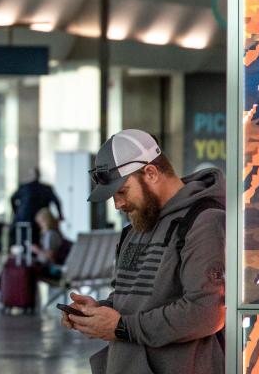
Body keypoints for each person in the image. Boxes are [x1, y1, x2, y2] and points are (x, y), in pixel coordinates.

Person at [61, 129, 225, 374]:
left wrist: (121, 327)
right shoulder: (138, 224)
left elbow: (205, 314)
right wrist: (98, 312)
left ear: (150, 173)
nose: (118, 204)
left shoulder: (204, 221)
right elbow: (131, 301)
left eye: (122, 191)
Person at [10, 167, 63, 245]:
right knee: (39, 240)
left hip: (25, 219)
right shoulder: (46, 188)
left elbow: (12, 199)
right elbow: (57, 202)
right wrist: (60, 215)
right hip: (39, 221)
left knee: (22, 240)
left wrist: (16, 212)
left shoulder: (24, 187)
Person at [31, 207, 70, 278]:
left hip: (54, 269)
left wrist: (37, 250)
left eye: (40, 222)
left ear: (46, 221)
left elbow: (50, 257)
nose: (40, 226)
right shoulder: (55, 233)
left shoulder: (50, 235)